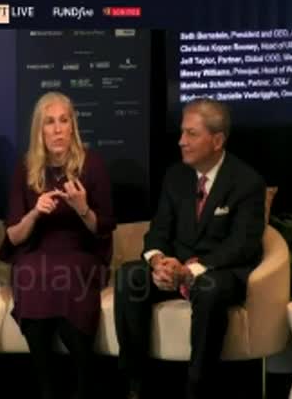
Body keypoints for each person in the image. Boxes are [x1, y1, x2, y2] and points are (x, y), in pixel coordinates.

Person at [114, 98, 266, 399]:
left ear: (217, 140)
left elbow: (242, 246)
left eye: (191, 134)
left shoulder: (247, 182)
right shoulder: (176, 176)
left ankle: (197, 387)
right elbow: (158, 231)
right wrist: (158, 261)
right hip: (175, 267)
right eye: (182, 132)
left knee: (210, 290)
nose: (181, 141)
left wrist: (191, 270)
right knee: (129, 277)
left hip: (217, 270)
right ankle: (135, 383)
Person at [0, 91, 116, 399]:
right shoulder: (26, 168)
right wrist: (35, 213)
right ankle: (46, 387)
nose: (58, 129)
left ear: (73, 125)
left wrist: (82, 208)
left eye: (64, 121)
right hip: (35, 251)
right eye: (50, 122)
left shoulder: (92, 164)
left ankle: (83, 384)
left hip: (82, 252)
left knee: (68, 275)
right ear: (40, 129)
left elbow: (103, 228)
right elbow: (13, 236)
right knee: (32, 274)